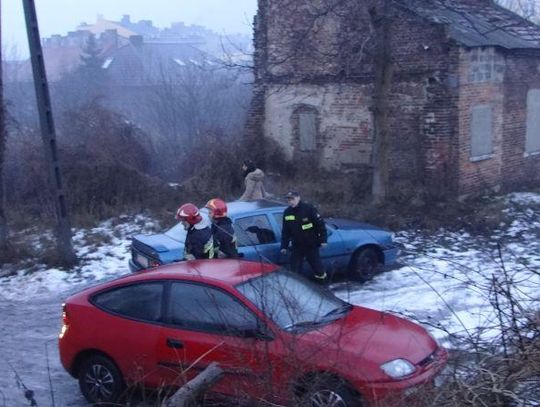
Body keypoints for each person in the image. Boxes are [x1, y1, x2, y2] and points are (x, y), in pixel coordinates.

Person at [280, 191, 328, 282]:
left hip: (311, 244)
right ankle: (298, 291)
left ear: (298, 198)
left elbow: (320, 225)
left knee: (318, 269)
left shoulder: (309, 209)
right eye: (289, 200)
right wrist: (284, 246)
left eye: (292, 199)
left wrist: (323, 240)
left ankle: (323, 285)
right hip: (297, 246)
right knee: (295, 271)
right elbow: (285, 231)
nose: (290, 202)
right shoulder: (287, 212)